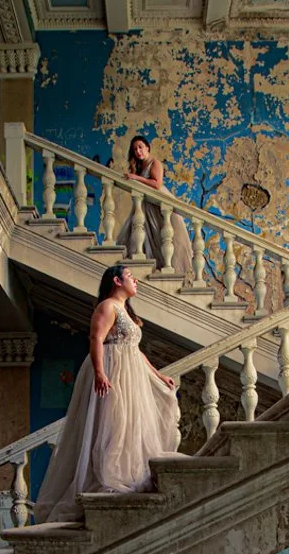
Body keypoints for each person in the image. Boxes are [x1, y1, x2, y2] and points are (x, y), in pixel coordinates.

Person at [33, 264, 180, 523]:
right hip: (113, 369)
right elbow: (96, 339)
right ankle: (107, 476)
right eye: (131, 278)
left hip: (131, 371)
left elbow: (135, 350)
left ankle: (128, 472)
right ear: (116, 280)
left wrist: (158, 375)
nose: (136, 282)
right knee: (112, 423)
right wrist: (101, 373)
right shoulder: (107, 307)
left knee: (132, 423)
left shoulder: (125, 311)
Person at [116, 136, 193, 278]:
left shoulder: (154, 162)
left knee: (166, 236)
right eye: (135, 149)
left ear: (147, 147)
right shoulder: (140, 166)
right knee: (142, 234)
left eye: (140, 147)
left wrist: (136, 177)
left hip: (158, 203)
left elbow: (157, 184)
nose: (138, 151)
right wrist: (134, 170)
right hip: (147, 204)